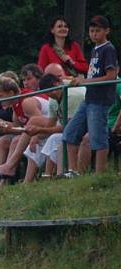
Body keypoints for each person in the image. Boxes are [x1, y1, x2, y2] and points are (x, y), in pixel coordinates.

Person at [62, 15, 119, 177]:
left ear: (106, 31)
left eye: (98, 31)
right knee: (70, 133)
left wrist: (85, 80)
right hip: (89, 99)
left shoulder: (108, 49)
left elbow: (111, 75)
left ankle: (100, 175)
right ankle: (73, 172)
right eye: (92, 31)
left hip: (100, 100)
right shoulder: (94, 50)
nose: (94, 34)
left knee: (98, 138)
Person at [0, 77, 48, 187]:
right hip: (29, 132)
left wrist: (35, 137)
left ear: (10, 93)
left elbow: (39, 121)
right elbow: (17, 127)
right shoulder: (16, 103)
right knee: (2, 140)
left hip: (47, 129)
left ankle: (6, 174)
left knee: (15, 141)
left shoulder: (26, 101)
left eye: (1, 95)